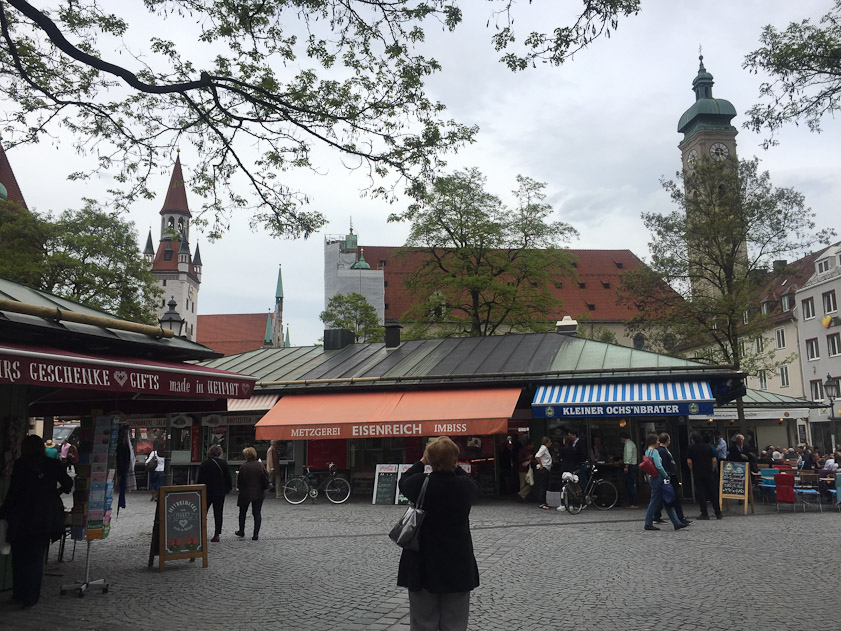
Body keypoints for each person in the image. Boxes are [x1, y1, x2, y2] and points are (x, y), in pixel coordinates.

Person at [397, 436, 480, 631]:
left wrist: (423, 461)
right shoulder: (465, 487)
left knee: (423, 622)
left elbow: (403, 481)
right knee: (455, 624)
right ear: (455, 459)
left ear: (431, 459)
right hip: (457, 563)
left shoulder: (419, 484)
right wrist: (452, 462)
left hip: (423, 563)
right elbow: (473, 484)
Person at [0, 434, 73, 609]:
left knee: (20, 558)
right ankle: (31, 597)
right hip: (45, 517)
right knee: (36, 558)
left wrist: (3, 512)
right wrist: (53, 495)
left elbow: (14, 493)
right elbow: (68, 484)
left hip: (22, 517)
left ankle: (20, 594)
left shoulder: (21, 465)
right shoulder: (53, 464)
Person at [643, 434, 686, 532]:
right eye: (657, 441)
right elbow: (658, 466)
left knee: (667, 501)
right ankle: (648, 522)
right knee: (656, 501)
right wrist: (665, 475)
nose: (659, 442)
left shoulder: (647, 452)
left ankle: (676, 523)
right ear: (654, 442)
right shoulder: (654, 452)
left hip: (652, 478)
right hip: (658, 478)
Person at [196, 445, 233, 542]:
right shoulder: (223, 463)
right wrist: (228, 489)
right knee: (218, 513)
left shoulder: (205, 463)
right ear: (220, 453)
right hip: (220, 492)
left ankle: (200, 531)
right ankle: (217, 534)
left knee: (203, 512)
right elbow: (228, 477)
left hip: (207, 492)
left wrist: (198, 489)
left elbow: (200, 478)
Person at [655, 433, 690, 526]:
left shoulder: (663, 450)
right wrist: (667, 475)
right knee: (674, 498)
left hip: (670, 476)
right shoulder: (662, 451)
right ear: (667, 440)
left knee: (663, 499)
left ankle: (658, 516)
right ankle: (679, 518)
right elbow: (663, 464)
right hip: (669, 477)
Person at [686, 432, 722, 520]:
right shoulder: (708, 447)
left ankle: (704, 513)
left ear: (692, 440)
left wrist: (692, 470)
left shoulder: (691, 448)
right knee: (713, 492)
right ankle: (718, 512)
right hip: (708, 472)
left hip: (698, 472)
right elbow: (714, 460)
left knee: (701, 492)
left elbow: (689, 461)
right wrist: (712, 470)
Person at [235, 447, 267, 541]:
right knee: (257, 513)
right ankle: (255, 534)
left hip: (245, 493)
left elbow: (239, 481)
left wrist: (241, 489)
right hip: (258, 492)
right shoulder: (260, 465)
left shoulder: (243, 467)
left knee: (242, 513)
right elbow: (265, 478)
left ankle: (241, 530)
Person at [619, 432, 638, 508]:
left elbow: (628, 455)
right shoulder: (631, 443)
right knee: (629, 484)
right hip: (633, 466)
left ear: (622, 438)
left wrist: (626, 466)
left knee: (630, 484)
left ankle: (634, 503)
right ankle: (631, 502)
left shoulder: (628, 444)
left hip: (631, 466)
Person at [534, 436, 552, 510]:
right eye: (549, 442)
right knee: (543, 486)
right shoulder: (543, 448)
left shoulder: (545, 448)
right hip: (544, 469)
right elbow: (537, 456)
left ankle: (544, 502)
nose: (551, 443)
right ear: (546, 442)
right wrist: (541, 465)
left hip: (546, 469)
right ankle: (542, 503)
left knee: (544, 486)